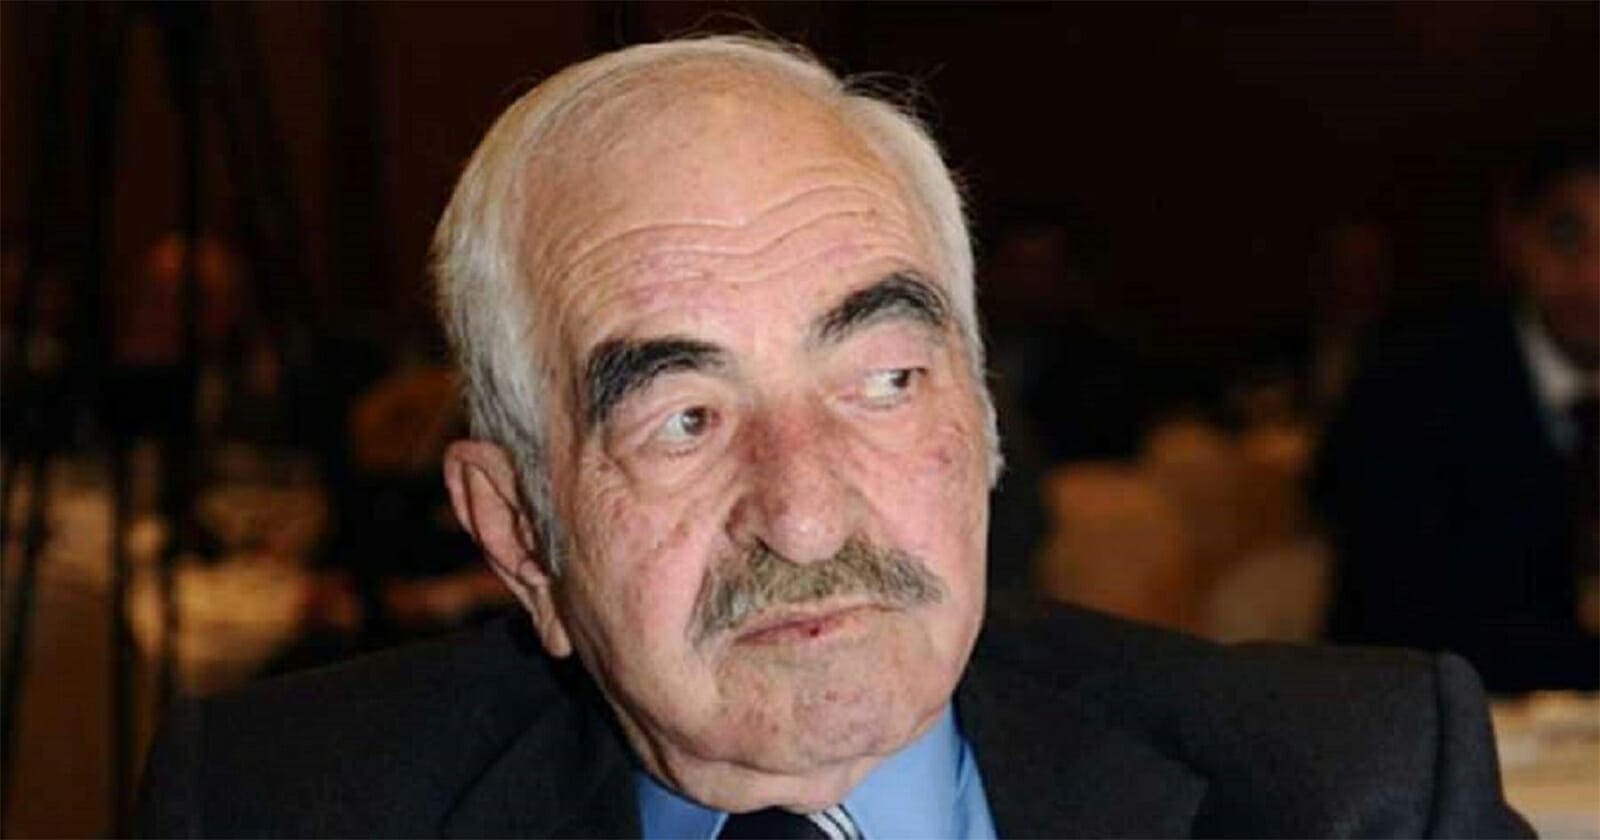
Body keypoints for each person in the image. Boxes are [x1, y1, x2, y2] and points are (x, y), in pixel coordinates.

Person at [136, 36, 1529, 838]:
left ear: (983, 421)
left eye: (884, 381)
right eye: (685, 419)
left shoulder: (1354, 794)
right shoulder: (269, 810)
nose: (804, 517)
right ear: (517, 535)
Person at [1316, 136, 1599, 694]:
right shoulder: (1409, 391)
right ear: (1515, 236)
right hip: (1437, 719)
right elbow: (1411, 626)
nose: (1593, 277)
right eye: (1567, 238)